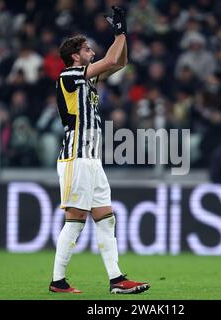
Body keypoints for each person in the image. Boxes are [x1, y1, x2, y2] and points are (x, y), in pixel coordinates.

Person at [49, 6, 150, 294]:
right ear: (75, 56)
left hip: (91, 160)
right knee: (77, 219)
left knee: (106, 217)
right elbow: (109, 59)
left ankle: (117, 279)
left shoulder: (88, 79)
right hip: (76, 158)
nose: (91, 52)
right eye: (87, 49)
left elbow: (120, 62)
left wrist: (123, 35)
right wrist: (119, 32)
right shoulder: (69, 76)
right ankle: (58, 280)